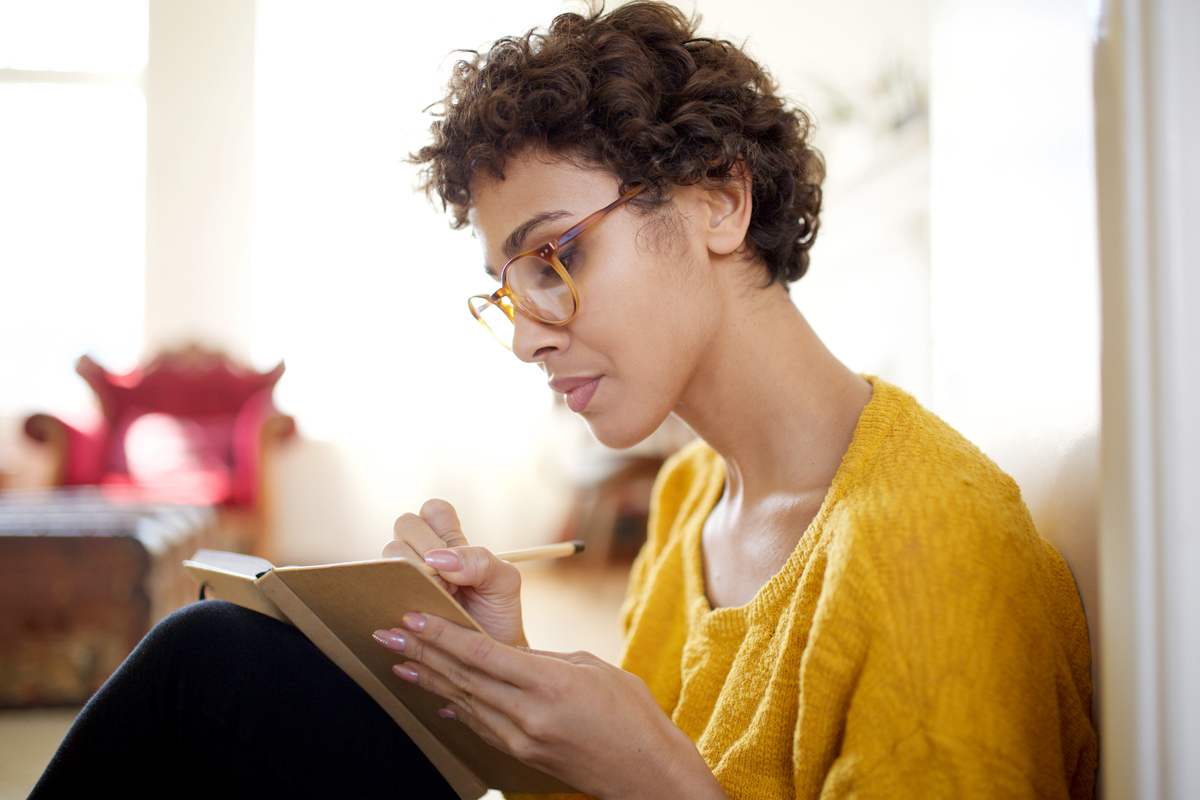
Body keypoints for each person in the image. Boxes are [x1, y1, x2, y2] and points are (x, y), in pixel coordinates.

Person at [31, 3, 1097, 799]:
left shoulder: (930, 553)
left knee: (207, 674)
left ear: (723, 198)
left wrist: (659, 778)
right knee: (228, 659)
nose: (532, 329)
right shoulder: (693, 498)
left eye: (556, 255)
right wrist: (513, 684)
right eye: (511, 285)